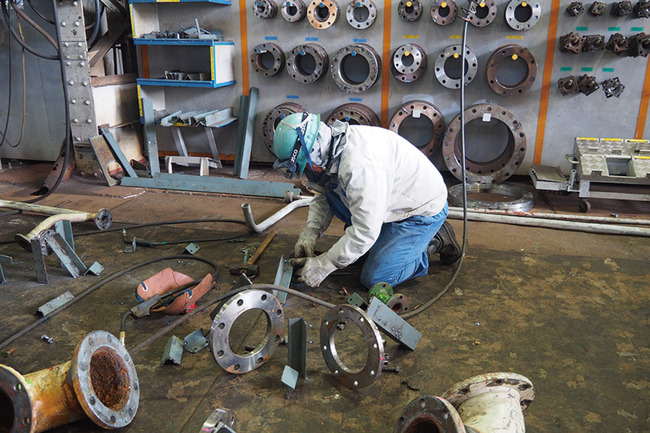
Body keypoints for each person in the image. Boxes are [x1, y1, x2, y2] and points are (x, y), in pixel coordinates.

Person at [272, 111, 461, 289]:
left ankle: (431, 242)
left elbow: (365, 231)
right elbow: (323, 194)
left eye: (304, 166)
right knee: (336, 200)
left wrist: (325, 265)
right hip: (391, 203)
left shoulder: (359, 168)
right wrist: (311, 232)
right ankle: (387, 242)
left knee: (376, 277)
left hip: (419, 212)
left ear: (313, 152)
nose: (305, 172)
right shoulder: (332, 148)